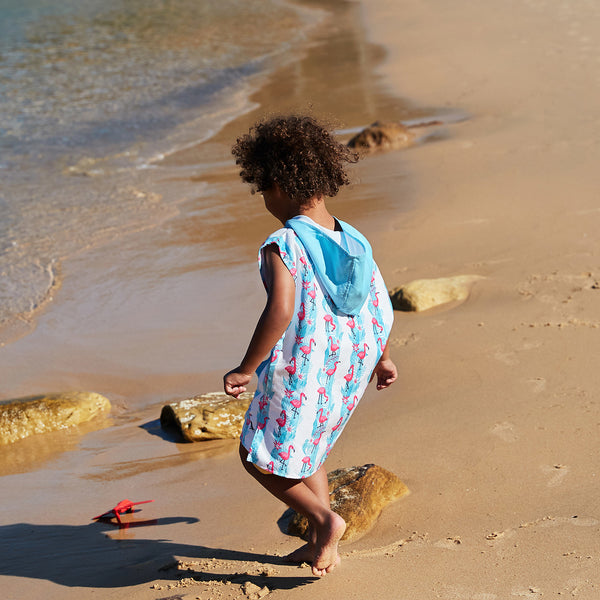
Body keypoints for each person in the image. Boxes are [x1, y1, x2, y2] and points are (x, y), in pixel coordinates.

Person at [223, 115, 397, 577]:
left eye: (263, 189)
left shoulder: (284, 242)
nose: (265, 200)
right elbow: (373, 303)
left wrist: (246, 367)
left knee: (258, 455)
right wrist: (381, 357)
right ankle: (324, 540)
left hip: (304, 367)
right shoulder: (353, 238)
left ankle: (325, 519)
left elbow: (280, 311)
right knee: (311, 451)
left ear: (278, 183)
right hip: (350, 362)